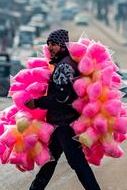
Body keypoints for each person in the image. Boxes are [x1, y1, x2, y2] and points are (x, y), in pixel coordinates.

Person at [25, 29, 101, 190]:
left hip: (64, 125)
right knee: (50, 161)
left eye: (53, 44)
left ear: (62, 45)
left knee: (77, 163)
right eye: (48, 44)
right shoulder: (66, 62)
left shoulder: (64, 66)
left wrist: (37, 102)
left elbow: (61, 98)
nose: (50, 48)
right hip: (62, 123)